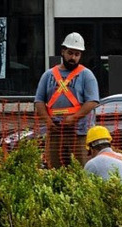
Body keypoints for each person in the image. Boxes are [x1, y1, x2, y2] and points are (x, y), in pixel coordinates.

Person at [35, 32, 100, 168]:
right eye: (70, 53)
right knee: (55, 168)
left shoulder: (86, 75)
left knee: (82, 168)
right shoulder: (48, 75)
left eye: (77, 54)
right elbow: (39, 101)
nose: (73, 57)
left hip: (80, 132)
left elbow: (92, 101)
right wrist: (48, 121)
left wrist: (74, 118)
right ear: (63, 51)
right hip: (55, 131)